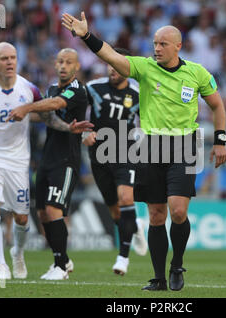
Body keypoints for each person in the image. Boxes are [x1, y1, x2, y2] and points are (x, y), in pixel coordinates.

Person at [62, 12, 226, 291]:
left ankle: (177, 265)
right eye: (155, 43)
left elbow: (218, 107)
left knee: (177, 211)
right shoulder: (145, 68)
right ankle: (159, 278)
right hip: (151, 147)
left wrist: (221, 141)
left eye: (163, 44)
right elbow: (112, 57)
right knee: (156, 215)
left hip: (184, 146)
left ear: (178, 46)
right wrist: (87, 36)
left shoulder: (197, 73)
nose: (157, 48)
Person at [0, 42, 89, 281]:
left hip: (32, 159)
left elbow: (50, 113)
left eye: (13, 57)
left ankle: (28, 255)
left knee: (26, 217)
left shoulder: (35, 90)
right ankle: (3, 265)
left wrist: (63, 125)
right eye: (4, 58)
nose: (9, 62)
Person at [7, 48, 93, 280]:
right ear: (55, 65)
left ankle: (60, 266)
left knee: (55, 209)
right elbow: (47, 116)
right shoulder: (52, 88)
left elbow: (55, 104)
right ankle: (63, 260)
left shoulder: (77, 89)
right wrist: (17, 114)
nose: (63, 66)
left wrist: (27, 107)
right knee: (43, 213)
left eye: (69, 63)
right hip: (47, 157)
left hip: (66, 159)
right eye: (60, 61)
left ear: (76, 67)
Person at [83, 47, 147, 276]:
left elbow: (149, 120)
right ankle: (135, 225)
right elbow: (76, 110)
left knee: (125, 197)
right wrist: (83, 133)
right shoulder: (94, 88)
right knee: (116, 212)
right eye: (109, 64)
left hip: (126, 152)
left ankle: (123, 259)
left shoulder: (139, 93)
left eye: (116, 65)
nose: (112, 69)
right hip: (99, 156)